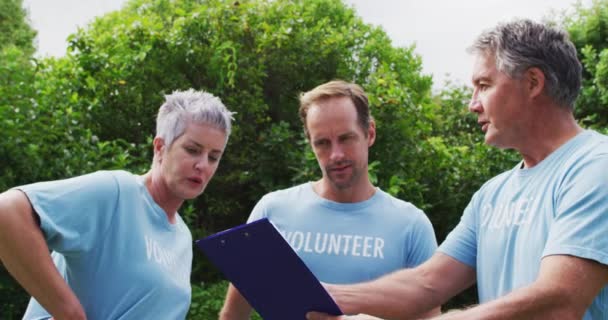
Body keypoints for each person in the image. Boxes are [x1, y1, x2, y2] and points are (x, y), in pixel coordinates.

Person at [306, 19, 608, 320]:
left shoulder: (596, 166)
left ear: (532, 83)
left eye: (484, 85)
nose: (472, 104)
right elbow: (426, 284)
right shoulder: (492, 194)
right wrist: (324, 296)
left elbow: (558, 301)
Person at [0, 89, 234, 319]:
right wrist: (69, 313)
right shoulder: (117, 192)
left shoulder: (182, 236)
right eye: (192, 150)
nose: (203, 165)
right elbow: (8, 211)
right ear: (160, 147)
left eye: (213, 157)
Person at [219, 80, 439, 319]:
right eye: (322, 143)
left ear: (370, 133)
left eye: (346, 138)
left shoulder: (411, 226)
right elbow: (234, 314)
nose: (336, 155)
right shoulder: (272, 211)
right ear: (310, 143)